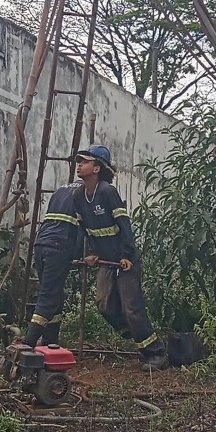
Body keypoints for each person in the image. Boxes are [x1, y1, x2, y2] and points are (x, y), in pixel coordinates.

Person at [73, 144, 168, 372]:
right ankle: (137, 335)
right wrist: (90, 255)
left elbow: (124, 226)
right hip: (106, 261)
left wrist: (127, 256)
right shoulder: (78, 196)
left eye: (84, 161)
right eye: (79, 162)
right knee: (104, 305)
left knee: (132, 308)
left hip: (125, 261)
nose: (79, 165)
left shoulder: (107, 192)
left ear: (97, 168)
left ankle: (156, 353)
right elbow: (84, 230)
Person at [21, 182, 81, 349]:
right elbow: (84, 227)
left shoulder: (62, 189)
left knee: (55, 296)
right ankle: (28, 342)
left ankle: (50, 340)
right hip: (58, 247)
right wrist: (81, 254)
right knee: (49, 297)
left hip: (41, 244)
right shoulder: (86, 193)